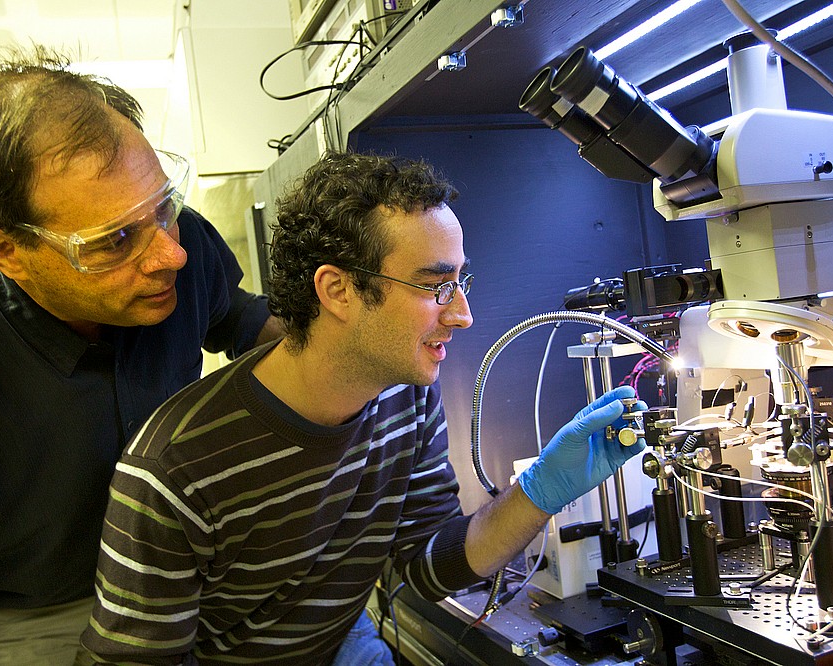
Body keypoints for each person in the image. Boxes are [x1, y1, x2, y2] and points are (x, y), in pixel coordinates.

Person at [81, 151, 645, 664]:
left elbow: (427, 566)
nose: (463, 314)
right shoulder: (174, 469)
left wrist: (542, 491)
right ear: (338, 291)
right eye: (435, 287)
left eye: (461, 280)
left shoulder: (407, 395)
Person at [0, 46, 281, 666]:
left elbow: (240, 321)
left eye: (163, 205)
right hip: (39, 612)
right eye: (114, 240)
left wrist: (347, 346)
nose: (168, 255)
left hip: (188, 568)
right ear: (4, 250)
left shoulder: (179, 236)